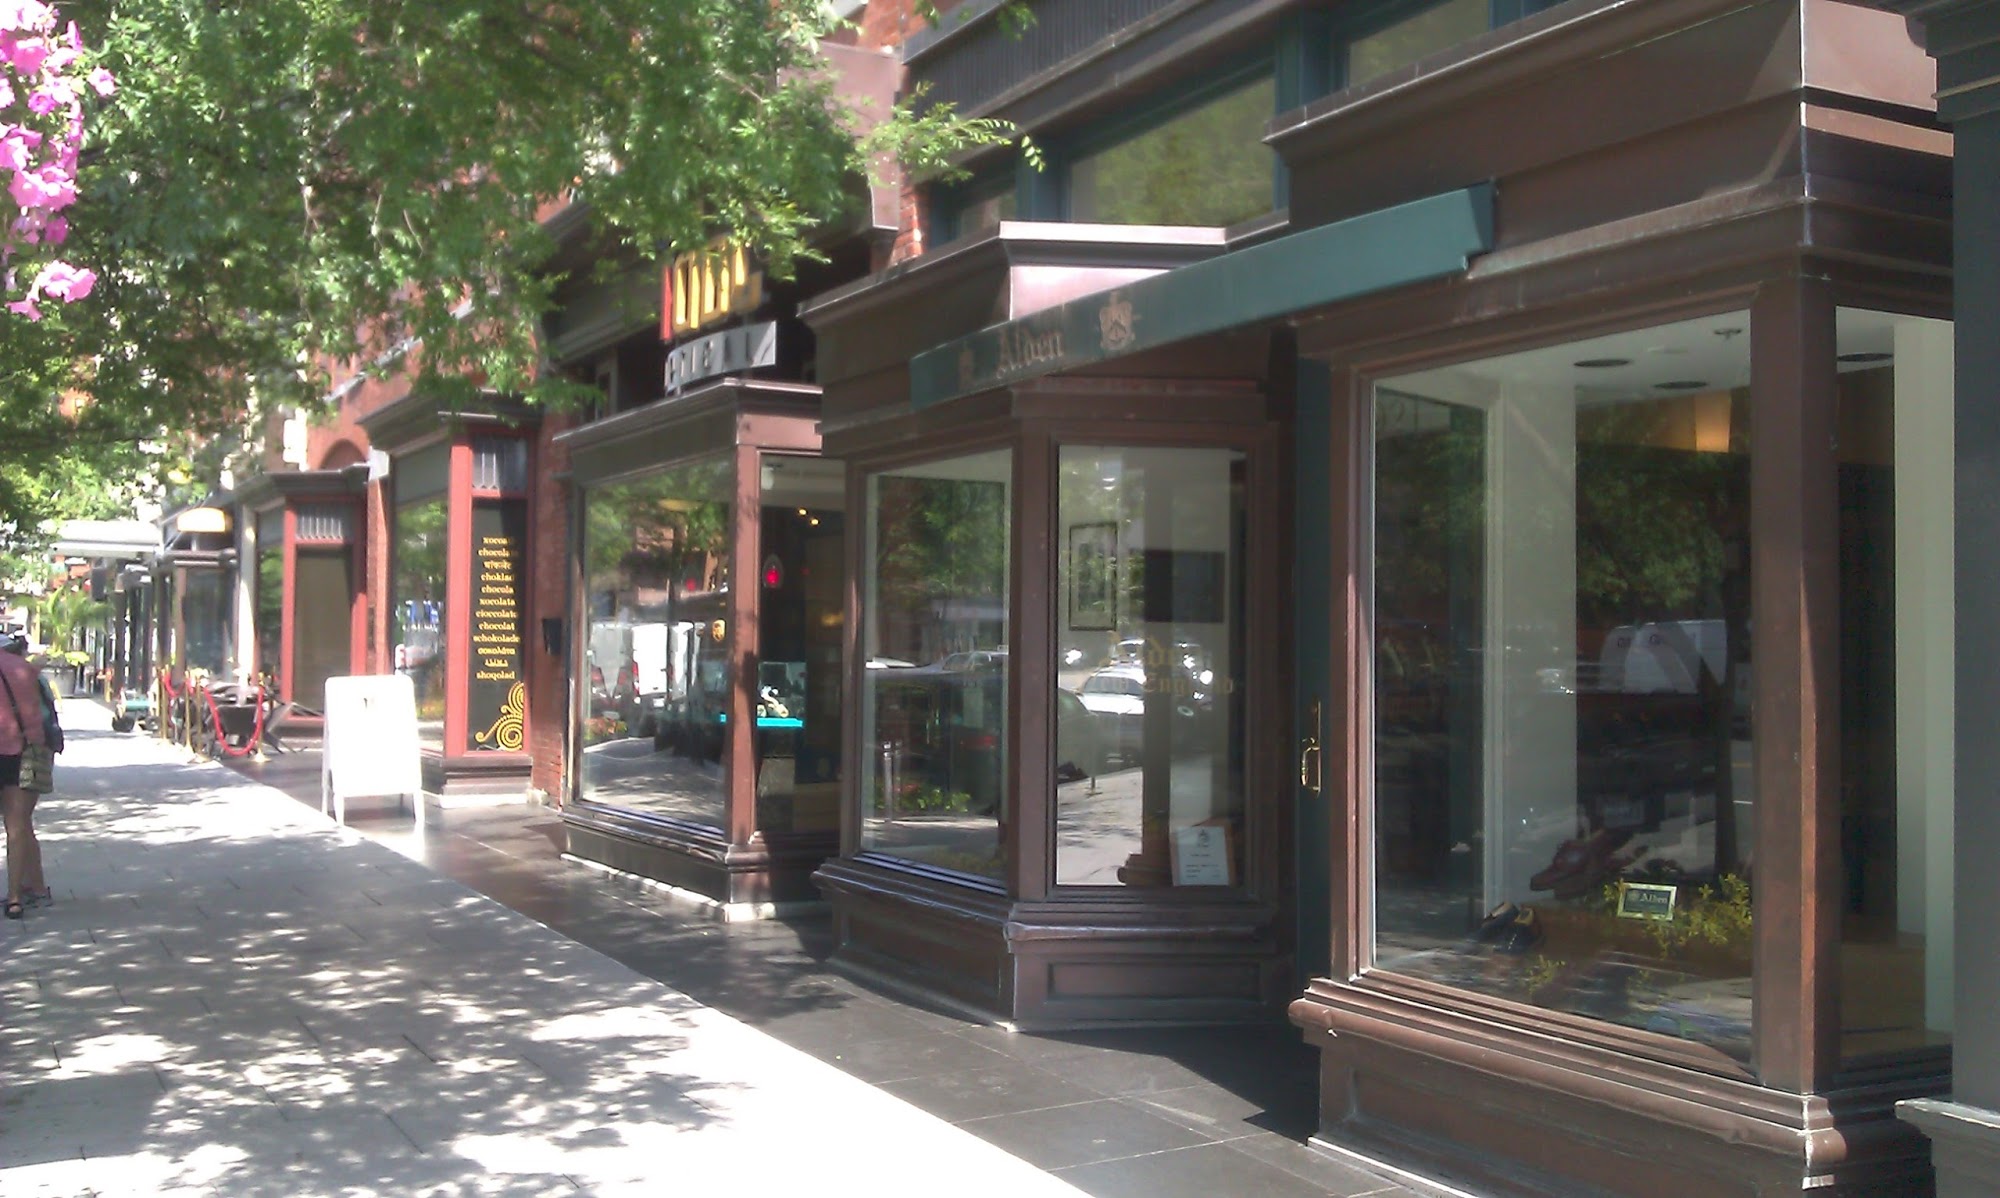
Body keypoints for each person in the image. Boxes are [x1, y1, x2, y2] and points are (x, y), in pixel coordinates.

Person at [0, 631, 57, 919]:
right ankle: (16, 897)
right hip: (22, 750)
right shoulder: (26, 670)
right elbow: (42, 716)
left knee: (18, 825)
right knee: (18, 825)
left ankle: (30, 888)